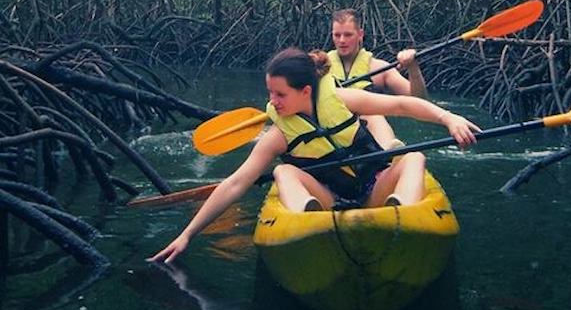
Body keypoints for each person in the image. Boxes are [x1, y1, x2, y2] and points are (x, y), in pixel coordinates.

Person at [149, 48, 479, 266]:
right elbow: (235, 184)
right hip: (327, 199)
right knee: (284, 174)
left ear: (305, 91)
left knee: (413, 158)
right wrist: (187, 235)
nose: (273, 102)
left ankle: (400, 218)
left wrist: (449, 119)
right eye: (270, 93)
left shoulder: (339, 98)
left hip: (373, 188)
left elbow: (403, 105)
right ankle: (308, 225)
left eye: (280, 94)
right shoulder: (279, 133)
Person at [328, 8, 427, 148]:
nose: (342, 40)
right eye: (337, 35)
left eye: (348, 35)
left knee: (373, 115)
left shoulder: (380, 69)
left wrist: (413, 68)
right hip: (331, 130)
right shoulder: (318, 67)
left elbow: (419, 99)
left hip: (368, 132)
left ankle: (390, 152)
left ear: (360, 34)